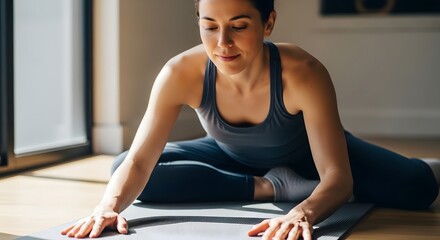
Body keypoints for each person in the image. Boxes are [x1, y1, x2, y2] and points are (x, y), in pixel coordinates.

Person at [61, 0, 440, 239]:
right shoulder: (180, 72)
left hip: (308, 153)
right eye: (209, 26)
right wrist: (106, 207)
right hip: (232, 155)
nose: (222, 43)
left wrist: (303, 212)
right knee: (122, 170)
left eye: (239, 26)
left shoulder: (303, 71)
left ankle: (420, 167)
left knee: (417, 189)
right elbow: (140, 161)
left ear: (268, 23)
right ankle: (274, 186)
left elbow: (337, 179)